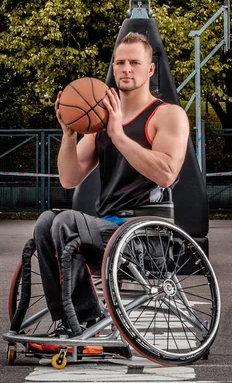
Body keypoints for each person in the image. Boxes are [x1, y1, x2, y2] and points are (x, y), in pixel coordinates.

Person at [33, 32, 189, 335]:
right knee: (45, 223)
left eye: (134, 62)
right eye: (120, 62)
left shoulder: (167, 115)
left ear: (150, 69)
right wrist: (69, 134)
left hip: (147, 235)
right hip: (106, 229)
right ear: (114, 67)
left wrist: (119, 135)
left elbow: (167, 173)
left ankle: (87, 322)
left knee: (66, 222)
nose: (126, 69)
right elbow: (69, 177)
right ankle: (69, 320)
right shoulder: (100, 122)